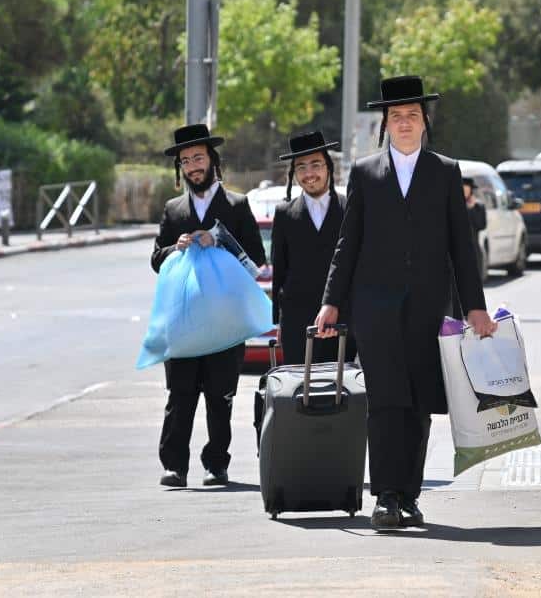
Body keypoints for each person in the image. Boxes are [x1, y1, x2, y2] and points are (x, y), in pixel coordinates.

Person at [314, 75, 497, 529]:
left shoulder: (446, 171)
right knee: (384, 401)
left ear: (424, 122)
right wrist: (331, 302)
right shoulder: (364, 172)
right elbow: (347, 243)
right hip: (374, 308)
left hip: (429, 309)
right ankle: (386, 496)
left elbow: (462, 247)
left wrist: (475, 306)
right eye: (396, 117)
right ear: (385, 124)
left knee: (419, 402)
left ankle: (410, 495)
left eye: (412, 116)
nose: (405, 123)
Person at [151, 123, 267, 488]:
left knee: (220, 396)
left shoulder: (236, 205)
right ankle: (174, 466)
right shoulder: (173, 210)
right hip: (183, 321)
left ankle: (216, 464)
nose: (192, 166)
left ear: (212, 160)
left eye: (198, 157)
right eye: (185, 161)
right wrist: (175, 248)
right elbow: (156, 260)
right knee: (180, 395)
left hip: (224, 322)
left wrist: (220, 242)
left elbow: (257, 262)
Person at [270, 131, 357, 365]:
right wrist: (279, 323)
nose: (309, 174)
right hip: (297, 325)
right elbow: (280, 271)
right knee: (299, 394)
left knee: (341, 394)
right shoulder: (284, 214)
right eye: (301, 167)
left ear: (328, 166)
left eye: (316, 165)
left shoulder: (350, 208)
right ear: (293, 173)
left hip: (343, 320)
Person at [452, 177, 488, 318]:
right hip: (455, 252)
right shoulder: (453, 204)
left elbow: (481, 225)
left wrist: (472, 209)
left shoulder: (478, 206)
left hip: (473, 251)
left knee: (474, 285)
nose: (465, 191)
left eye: (467, 189)